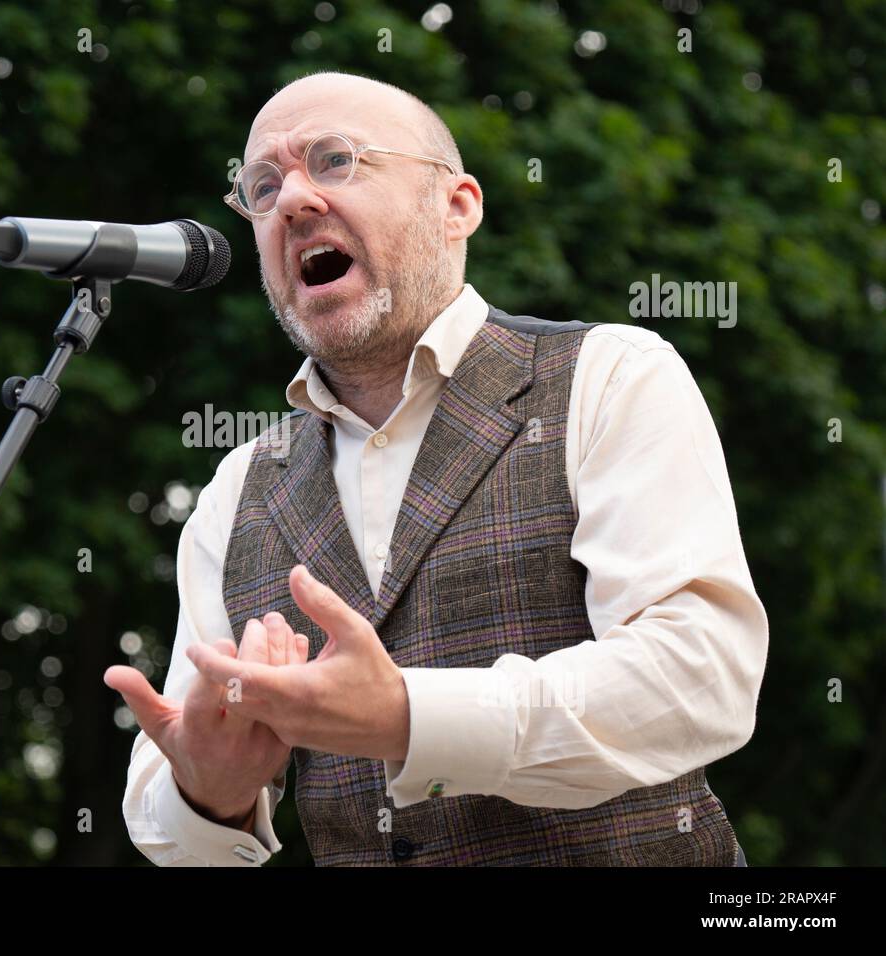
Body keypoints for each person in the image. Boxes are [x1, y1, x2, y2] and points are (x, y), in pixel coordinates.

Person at [104, 71, 767, 866]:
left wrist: (407, 716)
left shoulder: (612, 374)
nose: (293, 200)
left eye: (335, 159)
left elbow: (701, 678)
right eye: (263, 185)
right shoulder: (237, 490)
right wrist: (209, 793)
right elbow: (174, 833)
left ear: (457, 207)